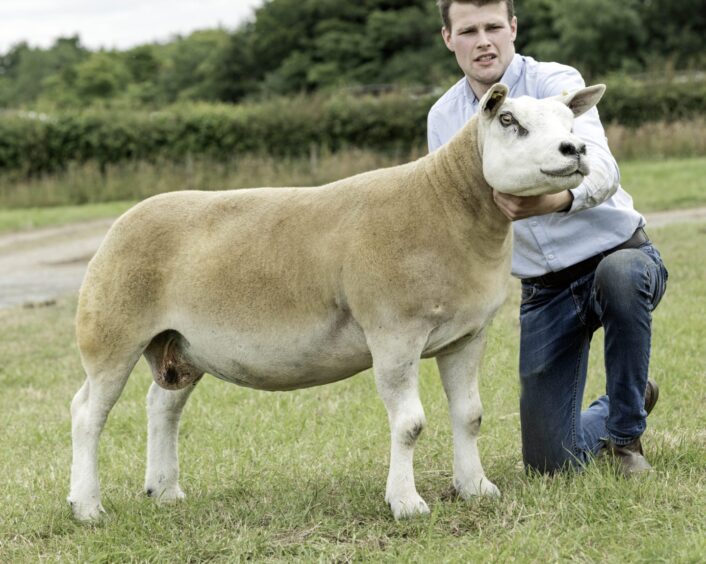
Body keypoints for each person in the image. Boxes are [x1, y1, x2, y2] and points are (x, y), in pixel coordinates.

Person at [427, 0, 668, 476]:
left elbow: (604, 168)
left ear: (513, 28)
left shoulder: (555, 83)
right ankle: (627, 400)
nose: (484, 41)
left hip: (616, 254)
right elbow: (455, 213)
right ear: (448, 38)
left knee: (621, 275)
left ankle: (625, 438)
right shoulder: (445, 119)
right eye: (469, 30)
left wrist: (551, 202)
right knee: (549, 464)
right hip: (545, 290)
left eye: (494, 26)